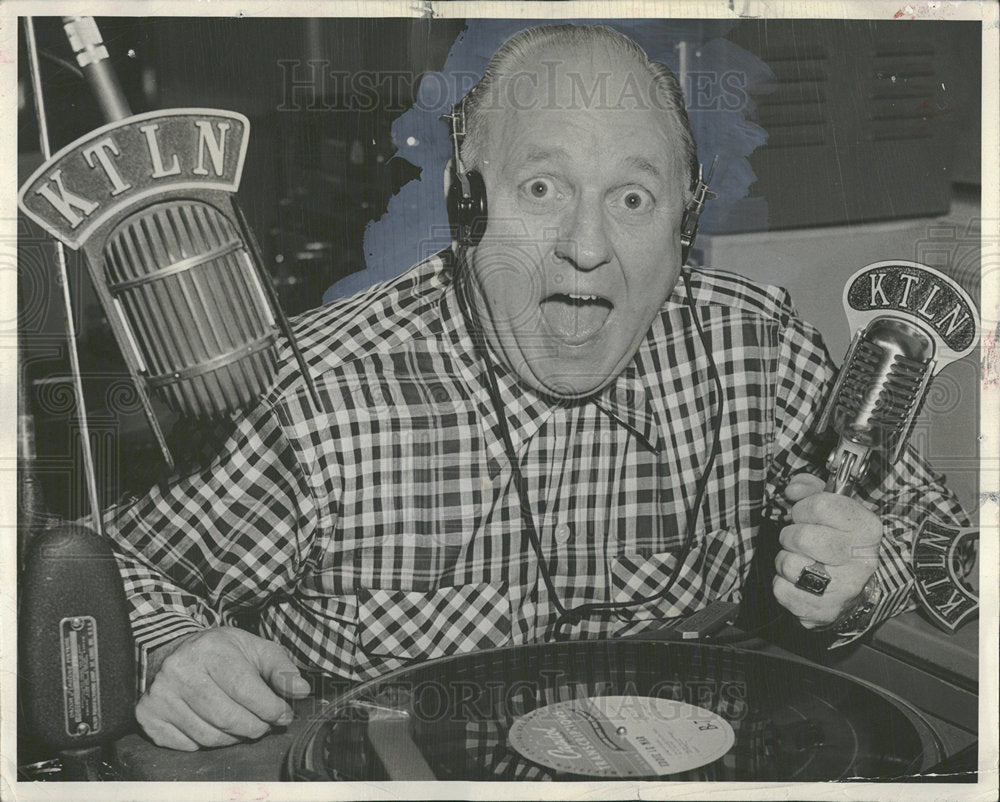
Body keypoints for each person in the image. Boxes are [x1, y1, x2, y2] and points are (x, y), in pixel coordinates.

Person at [97, 24, 968, 751]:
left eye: (633, 198)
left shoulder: (759, 350)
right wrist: (172, 649)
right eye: (543, 188)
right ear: (464, 205)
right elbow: (108, 567)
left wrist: (862, 574)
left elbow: (948, 551)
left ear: (688, 219)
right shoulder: (322, 399)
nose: (586, 246)